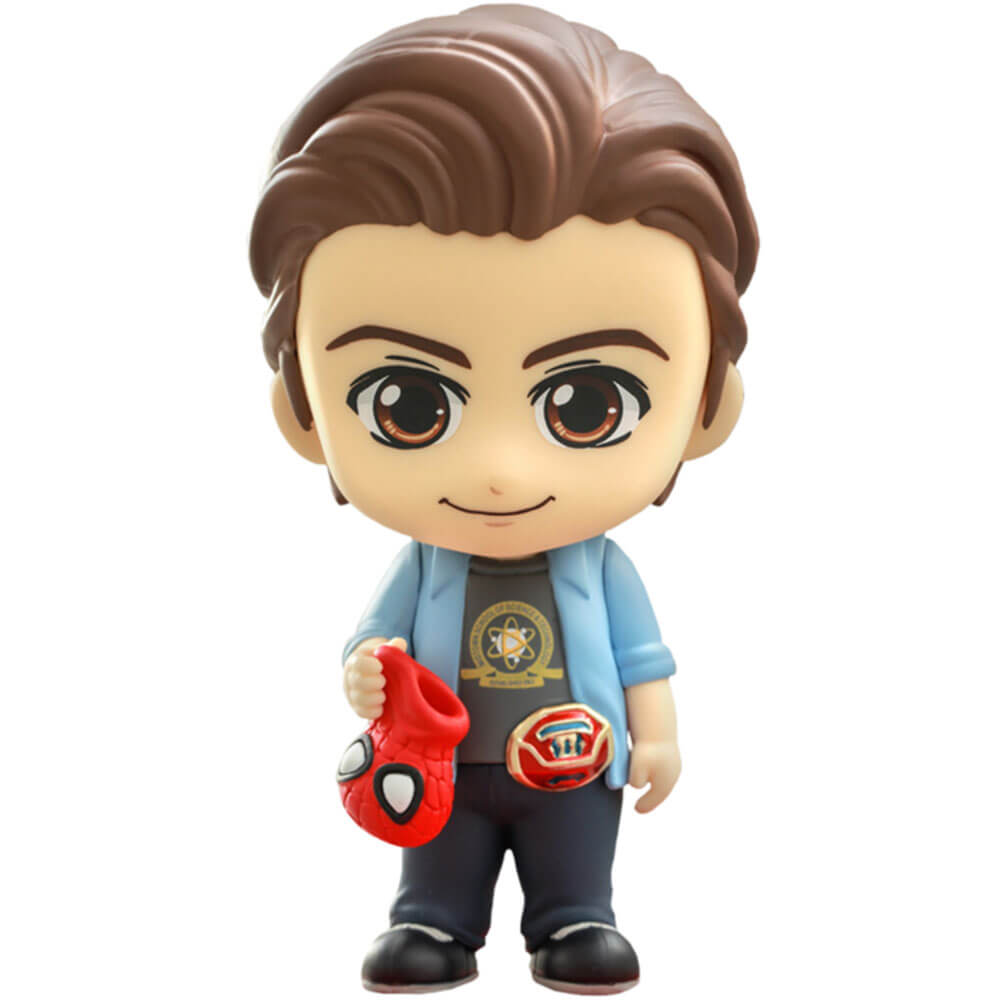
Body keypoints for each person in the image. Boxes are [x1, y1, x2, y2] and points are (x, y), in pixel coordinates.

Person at [249, 5, 757, 993]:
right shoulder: (422, 564)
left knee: (576, 863)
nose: (500, 469)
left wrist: (656, 734)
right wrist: (367, 674)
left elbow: (642, 659)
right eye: (407, 404)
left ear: (706, 410)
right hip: (445, 766)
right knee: (437, 861)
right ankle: (433, 920)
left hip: (574, 757)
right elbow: (374, 644)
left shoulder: (603, 569)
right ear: (303, 416)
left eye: (587, 404)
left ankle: (574, 917)